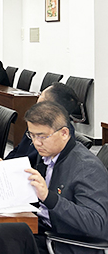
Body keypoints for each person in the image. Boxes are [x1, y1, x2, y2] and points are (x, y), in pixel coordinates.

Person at [23, 102, 108, 254]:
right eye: (32, 135)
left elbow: (97, 225)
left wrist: (49, 197)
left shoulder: (86, 168)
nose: (36, 142)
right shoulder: (49, 153)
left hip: (63, 243)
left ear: (64, 133)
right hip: (42, 227)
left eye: (42, 136)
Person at [6, 82, 82, 163]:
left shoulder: (59, 137)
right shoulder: (37, 122)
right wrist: (4, 163)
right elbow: (19, 149)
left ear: (47, 105)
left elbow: (37, 164)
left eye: (40, 95)